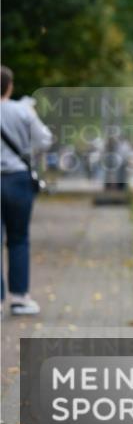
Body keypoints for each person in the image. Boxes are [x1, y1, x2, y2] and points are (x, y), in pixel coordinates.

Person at [1, 66, 53, 316]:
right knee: (19, 238)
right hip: (18, 179)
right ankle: (20, 298)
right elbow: (44, 140)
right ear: (9, 86)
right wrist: (27, 152)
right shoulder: (22, 111)